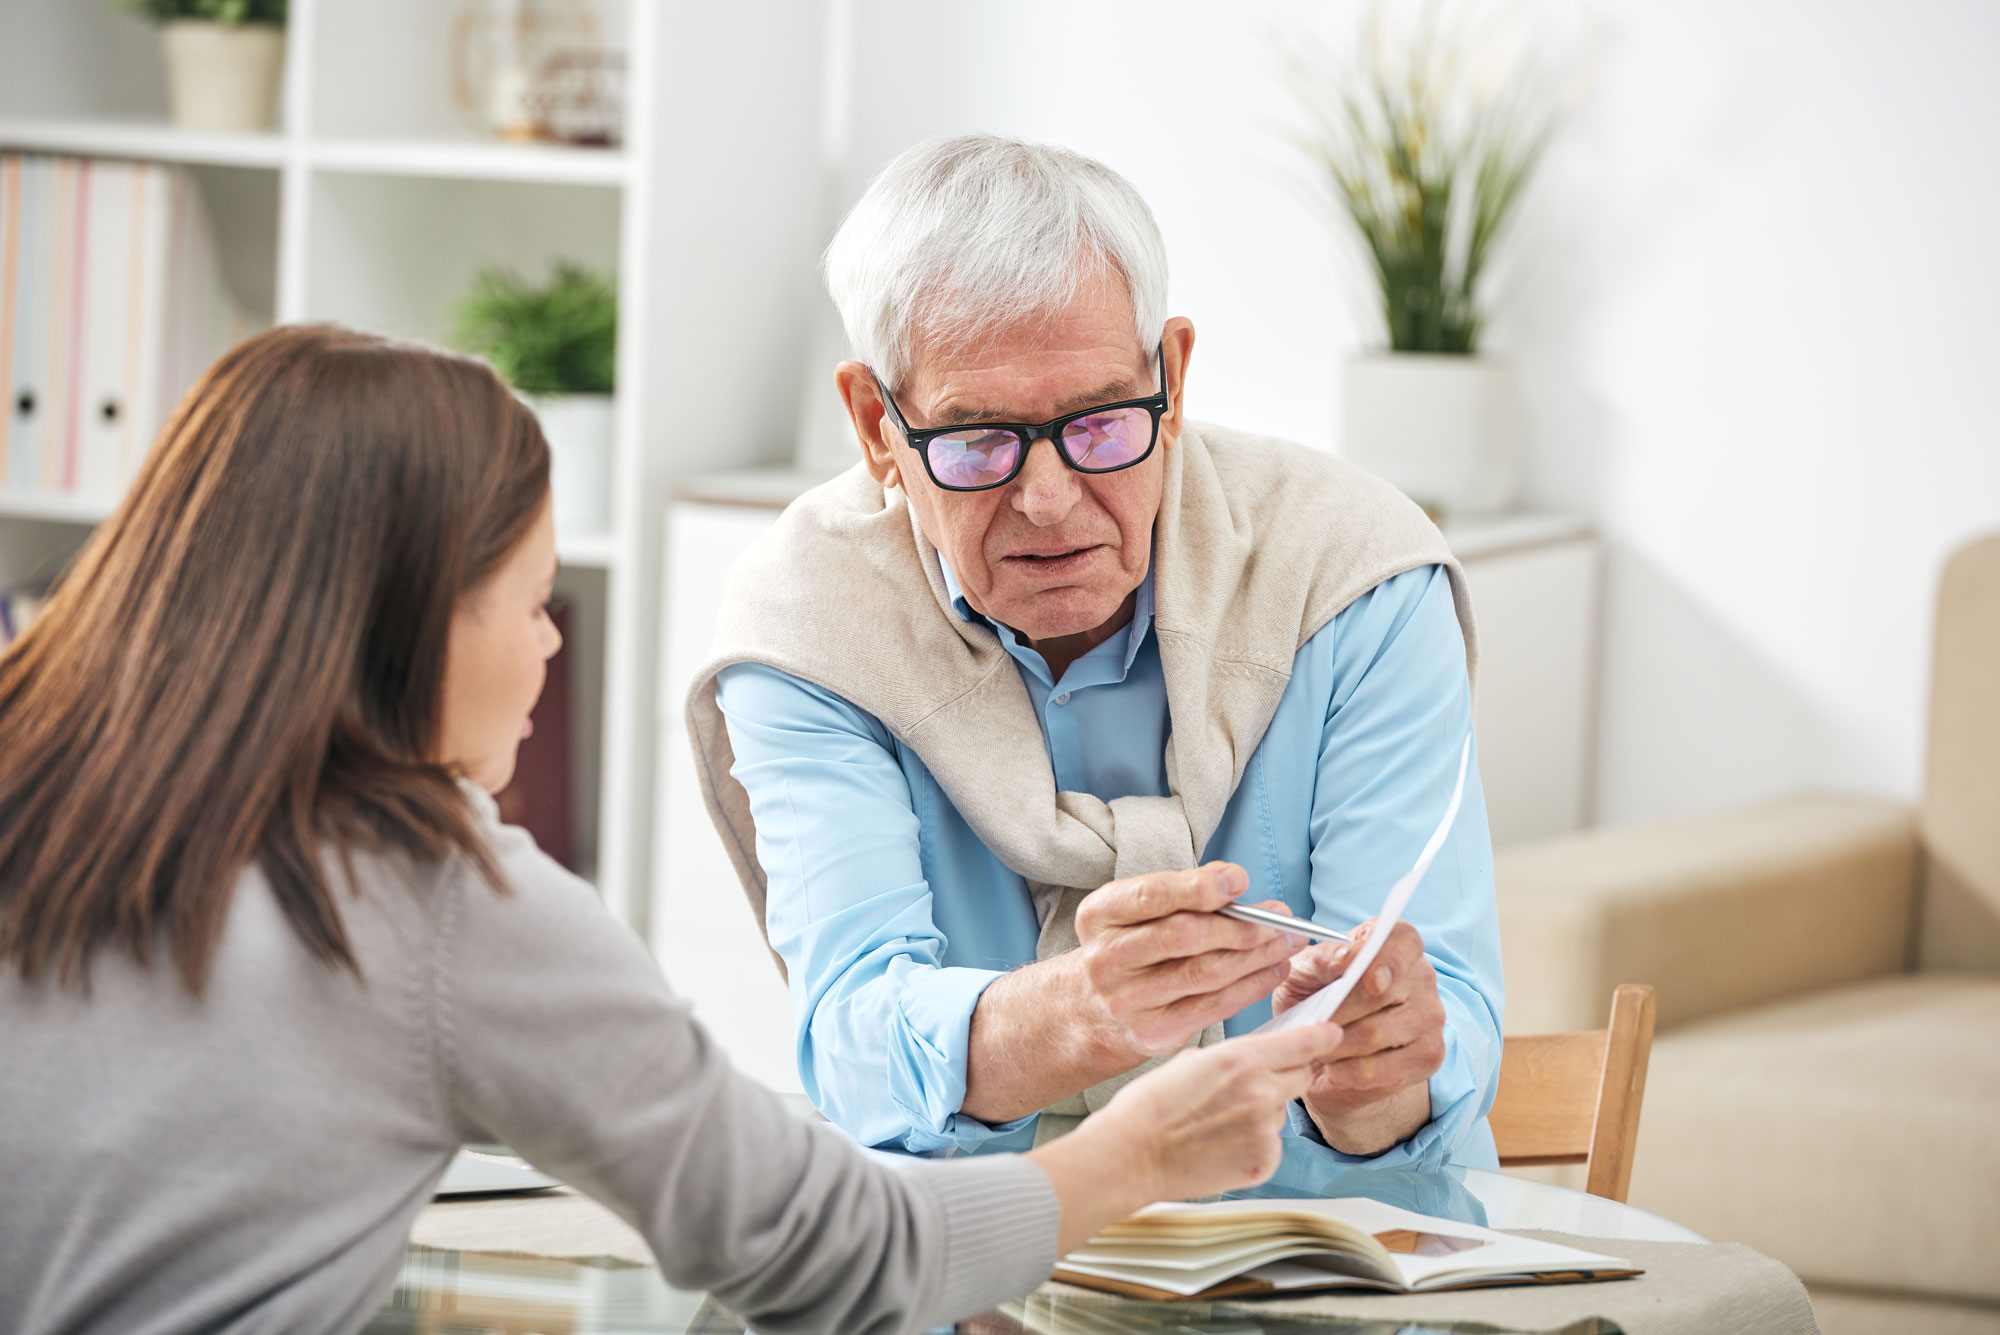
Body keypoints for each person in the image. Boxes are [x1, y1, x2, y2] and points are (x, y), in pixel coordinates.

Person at [0, 325, 1347, 1335]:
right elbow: (833, 1253)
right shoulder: (432, 896)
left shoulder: (37, 791)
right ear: (403, 620)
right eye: (531, 602)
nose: (546, 652)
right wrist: (1136, 1150)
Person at [688, 134, 1505, 1168]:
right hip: (971, 1271)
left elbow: (1447, 1025)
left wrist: (1375, 1079)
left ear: (1170, 378)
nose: (1046, 498)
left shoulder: (1352, 574)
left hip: (1330, 1266)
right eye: (976, 440)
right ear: (872, 426)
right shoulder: (809, 619)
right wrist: (1073, 1016)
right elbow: (853, 1044)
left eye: (1099, 423)